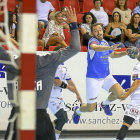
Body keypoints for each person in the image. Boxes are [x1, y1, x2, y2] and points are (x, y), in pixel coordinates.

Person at [2, 7, 81, 140]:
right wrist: (73, 24)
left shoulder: (11, 63)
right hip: (41, 119)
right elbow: (75, 48)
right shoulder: (49, 61)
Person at [72, 23, 128, 124]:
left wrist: (125, 52)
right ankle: (78, 110)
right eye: (96, 30)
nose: (99, 32)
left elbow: (114, 54)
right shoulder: (92, 41)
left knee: (119, 92)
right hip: (93, 78)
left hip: (106, 76)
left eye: (100, 30)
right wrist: (108, 48)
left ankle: (105, 104)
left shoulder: (105, 43)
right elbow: (94, 47)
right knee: (90, 108)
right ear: (92, 33)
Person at [48, 46, 82, 140]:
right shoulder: (53, 65)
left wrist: (77, 94)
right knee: (62, 119)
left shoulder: (63, 66)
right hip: (50, 97)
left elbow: (70, 82)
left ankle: (43, 129)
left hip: (58, 97)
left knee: (64, 119)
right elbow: (56, 81)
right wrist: (68, 87)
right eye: (61, 52)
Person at [116, 54, 140, 140]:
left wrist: (127, 94)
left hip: (138, 99)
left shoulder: (138, 66)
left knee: (126, 123)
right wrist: (130, 89)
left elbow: (137, 82)